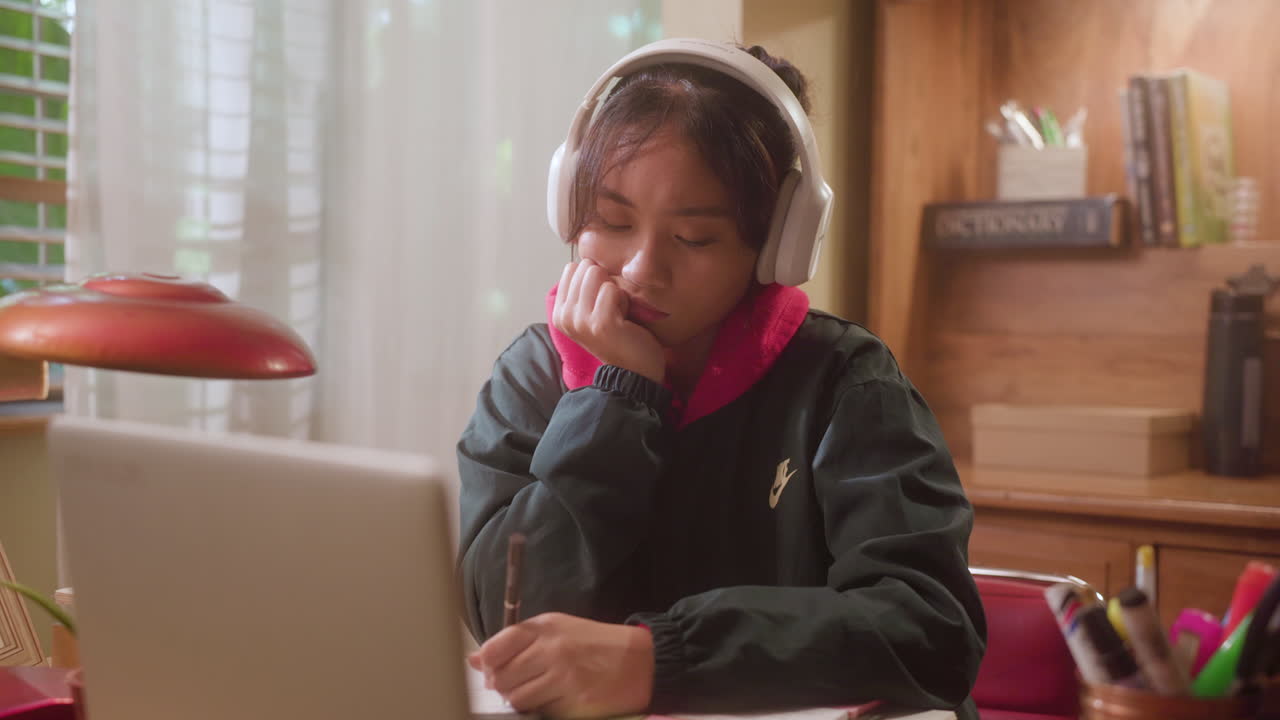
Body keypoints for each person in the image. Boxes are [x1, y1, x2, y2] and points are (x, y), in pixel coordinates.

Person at [457, 39, 986, 719]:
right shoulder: (532, 376)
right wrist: (616, 398)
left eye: (695, 239)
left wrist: (662, 659)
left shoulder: (845, 383)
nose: (642, 270)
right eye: (613, 222)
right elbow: (507, 625)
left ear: (776, 245)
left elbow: (931, 631)